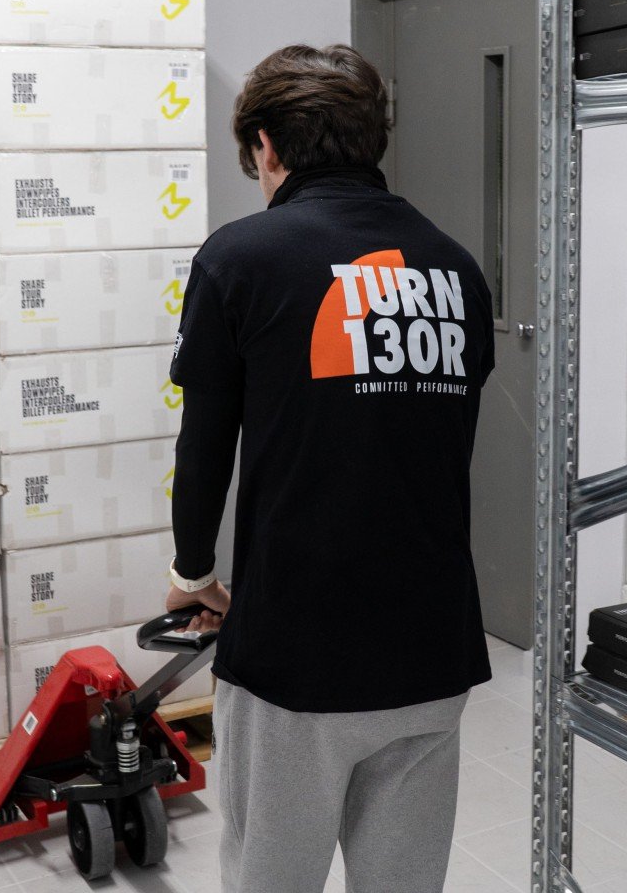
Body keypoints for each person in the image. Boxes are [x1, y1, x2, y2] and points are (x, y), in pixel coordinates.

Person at [163, 43, 496, 893]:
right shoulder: (456, 269)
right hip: (431, 647)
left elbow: (204, 448)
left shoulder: (240, 259)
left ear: (266, 145)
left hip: (296, 653)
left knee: (272, 877)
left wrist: (193, 574)